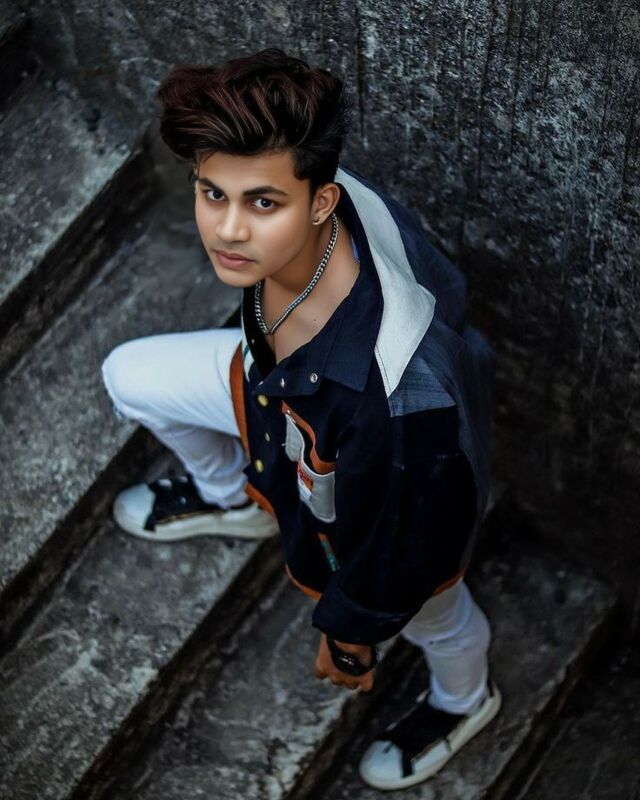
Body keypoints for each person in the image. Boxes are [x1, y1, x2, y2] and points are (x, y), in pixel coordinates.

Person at [100, 47, 501, 791]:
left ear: (320, 203)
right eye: (212, 194)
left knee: (439, 619)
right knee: (129, 377)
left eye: (262, 204)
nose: (227, 230)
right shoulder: (320, 197)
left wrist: (349, 638)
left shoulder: (400, 407)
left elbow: (401, 552)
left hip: (388, 473)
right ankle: (232, 497)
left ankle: (465, 701)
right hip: (278, 399)